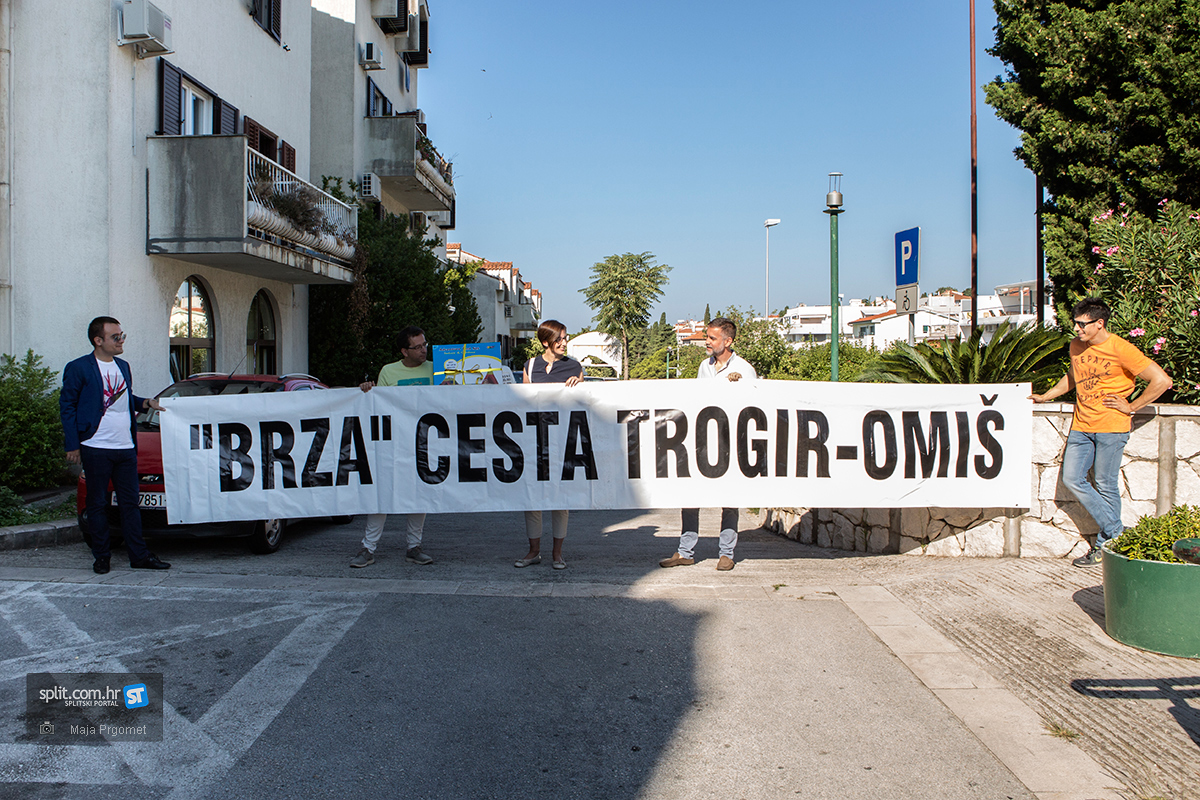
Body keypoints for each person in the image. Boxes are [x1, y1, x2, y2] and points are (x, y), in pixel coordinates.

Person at [1031, 298, 1172, 567]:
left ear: (1099, 323)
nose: (1077, 328)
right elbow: (1074, 376)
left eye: (1082, 324)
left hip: (1112, 427)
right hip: (1082, 425)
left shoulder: (1121, 349)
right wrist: (1047, 396)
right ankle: (1117, 532)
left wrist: (1132, 406)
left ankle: (1105, 545)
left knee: (1106, 485)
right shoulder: (1076, 346)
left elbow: (1162, 381)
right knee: (1073, 479)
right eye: (1075, 323)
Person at [60, 317, 169, 574]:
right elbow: (67, 407)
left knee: (131, 503)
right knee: (97, 503)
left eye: (122, 335)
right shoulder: (79, 368)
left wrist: (145, 403)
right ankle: (101, 557)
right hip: (95, 445)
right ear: (98, 341)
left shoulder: (123, 366)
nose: (121, 341)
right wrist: (72, 445)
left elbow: (121, 398)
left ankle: (139, 556)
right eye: (115, 337)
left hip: (125, 447)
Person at [660, 317, 757, 572]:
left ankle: (726, 553)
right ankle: (685, 551)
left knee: (729, 498)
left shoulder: (745, 370)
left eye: (712, 338)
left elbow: (753, 406)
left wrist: (740, 389)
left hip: (730, 442)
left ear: (728, 341)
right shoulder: (704, 367)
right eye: (707, 336)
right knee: (691, 495)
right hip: (703, 440)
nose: (707, 341)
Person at [349, 326, 436, 568]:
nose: (423, 350)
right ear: (404, 351)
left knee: (419, 496)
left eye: (424, 344)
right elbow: (379, 406)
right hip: (393, 443)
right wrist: (368, 392)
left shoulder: (436, 368)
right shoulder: (389, 371)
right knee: (382, 494)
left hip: (424, 443)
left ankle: (414, 546)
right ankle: (368, 548)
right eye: (417, 347)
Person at [515, 319, 583, 570]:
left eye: (565, 338)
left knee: (559, 500)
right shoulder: (530, 365)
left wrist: (580, 386)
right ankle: (534, 551)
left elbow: (585, 403)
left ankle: (557, 554)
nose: (564, 343)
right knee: (532, 500)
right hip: (534, 440)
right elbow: (523, 401)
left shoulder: (575, 366)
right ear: (546, 342)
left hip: (563, 440)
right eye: (560, 339)